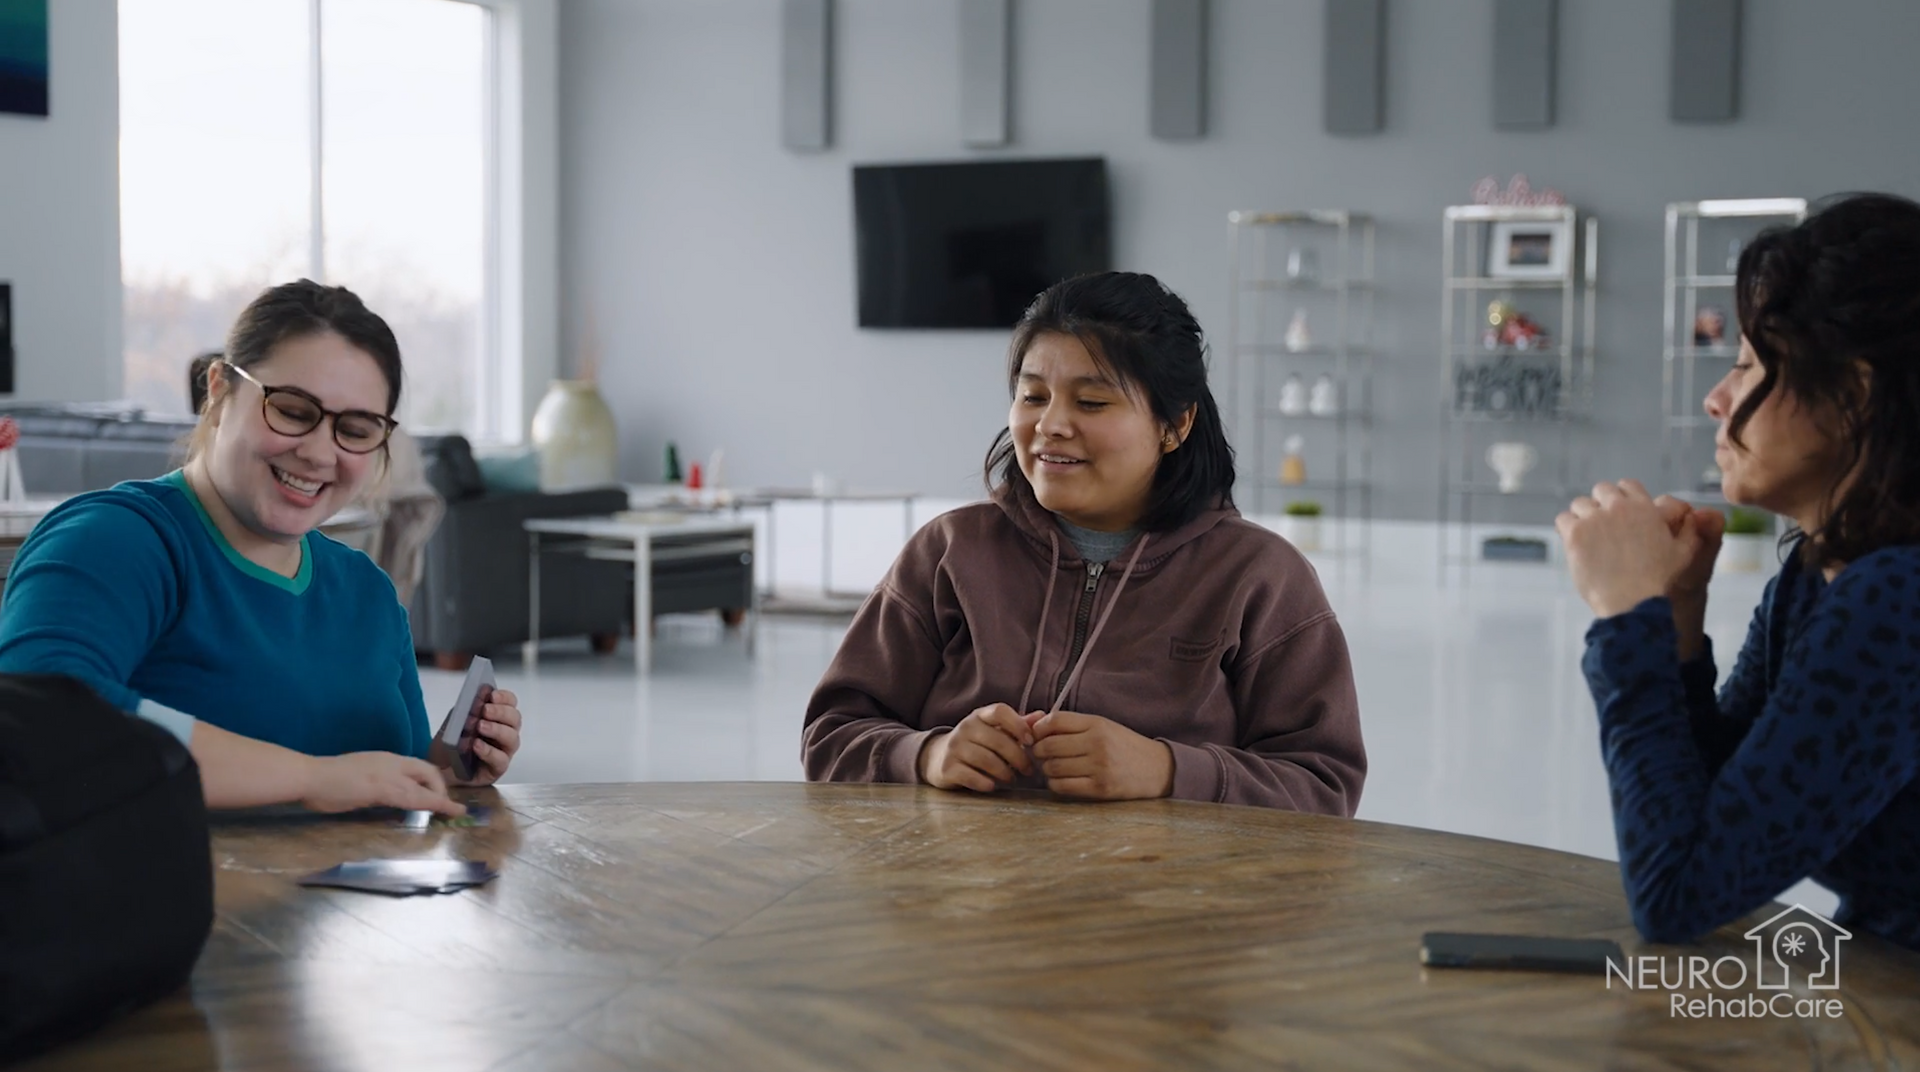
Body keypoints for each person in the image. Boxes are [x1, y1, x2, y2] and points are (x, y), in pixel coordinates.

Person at [802, 272, 1366, 812]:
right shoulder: (948, 551)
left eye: (1091, 403)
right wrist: (925, 755)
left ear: (1176, 424)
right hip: (967, 898)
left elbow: (1323, 785)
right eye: (1033, 396)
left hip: (1167, 902)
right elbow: (832, 734)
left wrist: (1167, 771)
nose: (1051, 425)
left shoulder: (1261, 577)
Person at [0, 280, 521, 815]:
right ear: (219, 393)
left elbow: (379, 780)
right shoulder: (115, 539)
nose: (320, 453)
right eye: (293, 411)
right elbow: (45, 716)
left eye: (357, 429)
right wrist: (309, 778)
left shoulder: (366, 589)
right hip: (171, 896)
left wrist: (449, 769)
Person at [1558, 193, 1920, 949]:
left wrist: (1627, 621)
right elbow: (1734, 803)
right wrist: (1678, 622)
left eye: (1752, 363)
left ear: (1853, 397)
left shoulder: (1896, 599)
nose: (1716, 398)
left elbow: (1680, 893)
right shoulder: (1818, 573)